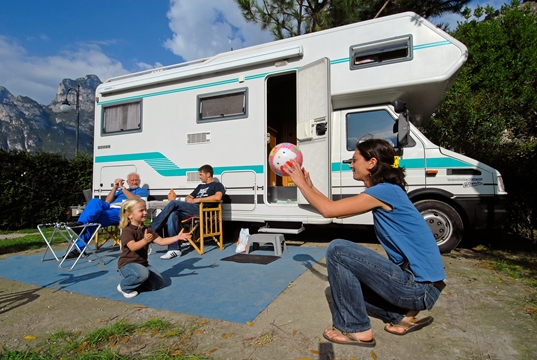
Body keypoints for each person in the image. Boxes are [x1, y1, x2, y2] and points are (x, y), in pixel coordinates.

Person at [284, 138, 446, 347]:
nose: (351, 164)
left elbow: (329, 211)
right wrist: (309, 186)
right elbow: (332, 206)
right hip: (422, 288)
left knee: (338, 249)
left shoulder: (384, 191)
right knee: (342, 289)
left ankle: (356, 328)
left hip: (419, 288)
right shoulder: (388, 191)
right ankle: (401, 317)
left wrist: (299, 183)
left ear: (371, 162)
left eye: (354, 160)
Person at [117, 198, 191, 298]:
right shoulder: (128, 231)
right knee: (142, 274)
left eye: (145, 210)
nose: (145, 213)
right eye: (141, 210)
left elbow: (161, 241)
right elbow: (133, 247)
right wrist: (145, 241)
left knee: (158, 283)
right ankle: (124, 286)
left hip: (142, 264)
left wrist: (177, 237)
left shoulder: (147, 230)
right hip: (128, 264)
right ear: (129, 215)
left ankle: (136, 283)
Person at [150, 164, 225, 260]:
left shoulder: (217, 185)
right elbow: (188, 197)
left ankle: (150, 230)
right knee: (173, 215)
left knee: (173, 203)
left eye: (201, 174)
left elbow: (218, 197)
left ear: (208, 174)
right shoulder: (200, 186)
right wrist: (189, 199)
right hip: (192, 209)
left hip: (204, 210)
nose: (199, 177)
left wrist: (198, 200)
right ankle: (174, 249)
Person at [72, 173, 148, 255]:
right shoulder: (119, 192)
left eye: (136, 180)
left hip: (121, 210)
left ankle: (78, 247)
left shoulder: (142, 190)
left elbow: (135, 199)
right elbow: (107, 201)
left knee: (93, 221)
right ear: (127, 181)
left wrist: (122, 188)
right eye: (132, 180)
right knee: (94, 201)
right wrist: (115, 188)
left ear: (139, 181)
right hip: (108, 207)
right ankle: (81, 224)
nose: (134, 182)